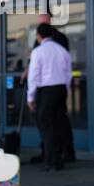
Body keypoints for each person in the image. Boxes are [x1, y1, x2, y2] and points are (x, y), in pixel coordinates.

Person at [26, 23, 73, 172]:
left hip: (46, 91)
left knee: (47, 126)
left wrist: (30, 97)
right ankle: (59, 159)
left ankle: (51, 161)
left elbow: (33, 75)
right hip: (61, 89)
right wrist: (66, 90)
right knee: (59, 124)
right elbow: (68, 74)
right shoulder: (62, 51)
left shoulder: (38, 52)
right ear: (52, 35)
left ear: (39, 36)